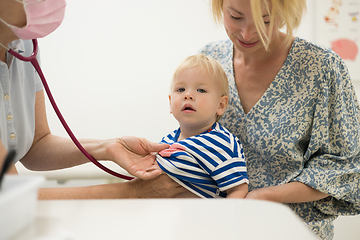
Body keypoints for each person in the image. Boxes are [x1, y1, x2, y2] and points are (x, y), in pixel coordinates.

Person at [197, 0, 360, 239]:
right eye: (235, 16)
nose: (247, 33)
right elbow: (192, 142)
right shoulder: (209, 60)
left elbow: (345, 168)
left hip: (292, 230)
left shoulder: (321, 67)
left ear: (286, 14)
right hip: (219, 228)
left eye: (265, 21)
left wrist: (264, 196)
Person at [0, 0, 184, 199]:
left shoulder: (24, 46)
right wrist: (132, 191)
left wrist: (108, 147)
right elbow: (10, 195)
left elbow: (36, 145)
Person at [156, 54, 249, 198]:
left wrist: (227, 219)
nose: (188, 95)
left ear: (221, 105)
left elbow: (238, 190)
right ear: (170, 102)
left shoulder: (221, 143)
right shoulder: (166, 141)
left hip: (204, 218)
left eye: (201, 90)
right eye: (180, 90)